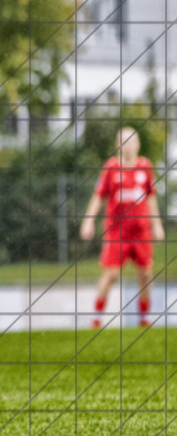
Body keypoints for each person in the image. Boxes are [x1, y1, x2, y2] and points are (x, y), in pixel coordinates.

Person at [80, 127, 165, 328]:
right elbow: (98, 196)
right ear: (117, 145)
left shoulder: (145, 167)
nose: (128, 145)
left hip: (141, 231)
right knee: (111, 274)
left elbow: (151, 198)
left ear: (138, 144)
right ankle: (96, 318)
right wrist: (88, 220)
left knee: (145, 273)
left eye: (131, 141)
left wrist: (157, 224)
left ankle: (144, 318)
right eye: (123, 141)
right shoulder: (111, 168)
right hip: (117, 231)